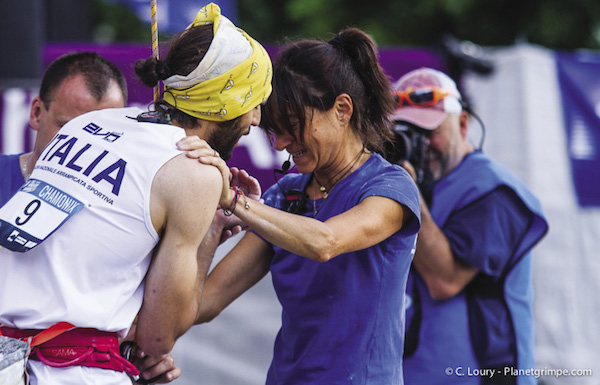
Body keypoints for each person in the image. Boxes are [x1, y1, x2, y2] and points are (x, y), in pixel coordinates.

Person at [0, 3, 271, 384]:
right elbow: (158, 338)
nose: (256, 119)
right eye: (253, 102)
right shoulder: (196, 173)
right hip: (69, 371)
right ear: (223, 104)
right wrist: (211, 230)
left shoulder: (92, 121)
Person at [191, 28, 421, 384]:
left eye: (293, 127)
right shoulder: (286, 195)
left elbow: (324, 242)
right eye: (275, 131)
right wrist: (214, 229)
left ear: (342, 109)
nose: (282, 144)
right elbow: (203, 304)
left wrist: (234, 201)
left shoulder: (390, 187)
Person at [389, 67, 548, 385]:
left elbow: (444, 280)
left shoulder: (496, 191)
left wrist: (408, 194)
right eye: (408, 133)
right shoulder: (406, 183)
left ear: (462, 124)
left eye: (430, 131)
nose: (422, 145)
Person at [0, 51, 127, 207]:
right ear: (37, 113)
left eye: (105, 135)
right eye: (69, 129)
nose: (85, 147)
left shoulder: (128, 205)